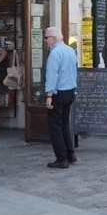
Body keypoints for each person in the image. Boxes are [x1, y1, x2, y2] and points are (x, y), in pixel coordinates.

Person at [44, 26, 78, 168]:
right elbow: (74, 71)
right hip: (70, 91)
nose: (45, 41)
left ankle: (61, 158)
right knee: (64, 124)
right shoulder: (70, 50)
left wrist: (49, 95)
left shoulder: (55, 53)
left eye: (47, 38)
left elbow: (52, 75)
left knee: (55, 126)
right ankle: (70, 154)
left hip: (58, 93)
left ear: (54, 38)